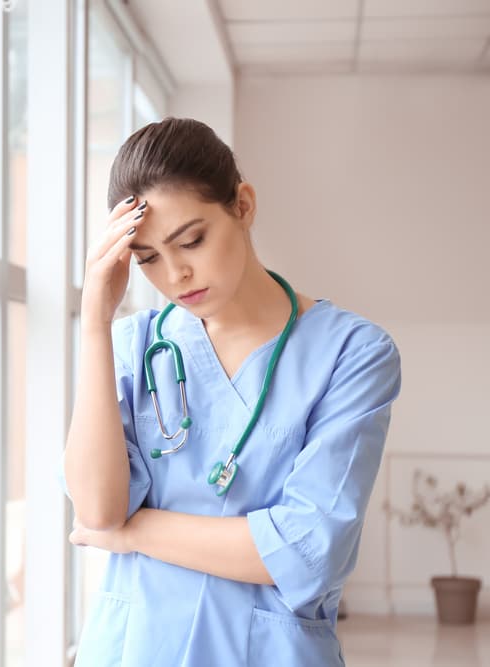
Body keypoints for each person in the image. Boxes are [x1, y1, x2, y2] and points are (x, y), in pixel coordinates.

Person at [63, 117, 401, 666]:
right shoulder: (132, 345)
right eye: (147, 258)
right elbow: (99, 510)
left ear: (242, 205)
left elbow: (306, 550)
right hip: (134, 649)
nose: (175, 275)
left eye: (191, 240)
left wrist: (135, 534)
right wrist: (94, 322)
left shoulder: (352, 354)